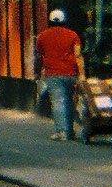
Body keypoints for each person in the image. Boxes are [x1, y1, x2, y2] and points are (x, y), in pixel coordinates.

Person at [33, 8, 84, 142]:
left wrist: (37, 73)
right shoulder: (73, 35)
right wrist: (82, 75)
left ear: (50, 21)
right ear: (64, 21)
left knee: (58, 101)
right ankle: (70, 130)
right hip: (71, 73)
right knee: (70, 102)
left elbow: (38, 57)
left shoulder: (42, 36)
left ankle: (62, 132)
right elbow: (78, 55)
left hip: (53, 74)